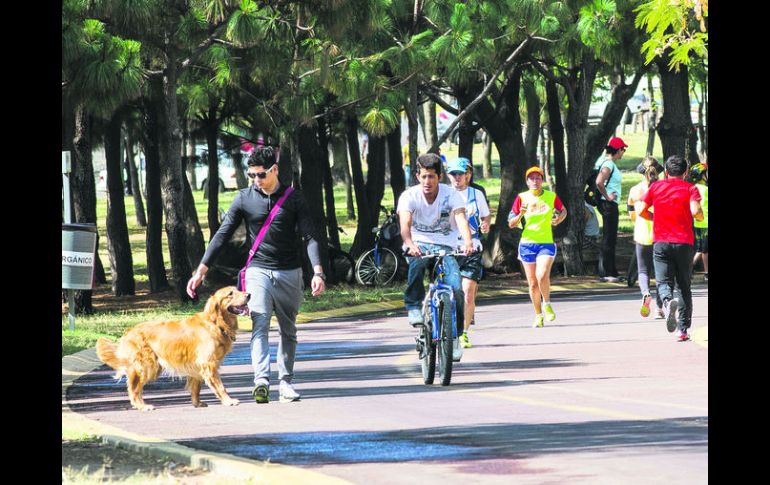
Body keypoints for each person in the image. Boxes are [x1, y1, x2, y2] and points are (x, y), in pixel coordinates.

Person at [186, 146, 327, 404]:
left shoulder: (294, 199)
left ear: (274, 170)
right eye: (251, 175)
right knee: (259, 324)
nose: (256, 180)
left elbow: (310, 237)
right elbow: (222, 234)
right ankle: (261, 380)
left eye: (261, 175)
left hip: (290, 272)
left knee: (288, 329)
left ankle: (285, 382)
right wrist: (201, 270)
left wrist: (317, 272)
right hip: (258, 270)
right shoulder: (244, 198)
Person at [398, 153, 476, 362]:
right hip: (419, 244)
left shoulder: (451, 195)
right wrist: (410, 245)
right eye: (423, 176)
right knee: (417, 263)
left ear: (439, 177)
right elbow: (405, 226)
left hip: (446, 246)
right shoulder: (409, 196)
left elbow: (461, 219)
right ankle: (414, 306)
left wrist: (468, 243)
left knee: (456, 288)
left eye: (431, 177)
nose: (427, 181)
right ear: (417, 176)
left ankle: (455, 337)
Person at [639, 155, 704, 342]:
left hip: (661, 241)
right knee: (684, 285)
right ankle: (682, 329)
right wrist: (698, 219)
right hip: (684, 242)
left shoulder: (656, 187)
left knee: (663, 281)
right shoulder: (690, 188)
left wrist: (655, 218)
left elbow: (642, 210)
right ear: (685, 172)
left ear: (666, 171)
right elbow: (696, 211)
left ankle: (667, 301)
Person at [508, 166, 567, 328]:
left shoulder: (551, 196)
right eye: (531, 178)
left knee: (542, 275)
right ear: (527, 181)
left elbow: (563, 211)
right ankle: (538, 314)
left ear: (542, 180)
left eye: (538, 178)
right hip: (527, 243)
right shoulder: (521, 198)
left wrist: (558, 219)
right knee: (533, 283)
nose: (535, 181)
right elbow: (511, 223)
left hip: (546, 242)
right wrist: (520, 214)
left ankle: (547, 303)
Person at [446, 157, 490, 349]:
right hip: (448, 248)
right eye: (452, 174)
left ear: (468, 175)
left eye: (460, 174)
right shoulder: (443, 194)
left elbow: (485, 215)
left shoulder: (476, 194)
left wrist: (486, 223)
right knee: (450, 292)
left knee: (467, 293)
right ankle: (445, 324)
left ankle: (463, 333)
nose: (456, 178)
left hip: (471, 248)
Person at [627, 157, 663, 318]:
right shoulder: (663, 188)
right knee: (662, 273)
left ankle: (646, 293)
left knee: (643, 270)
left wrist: (637, 221)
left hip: (642, 232)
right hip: (661, 233)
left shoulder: (635, 190)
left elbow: (631, 212)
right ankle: (660, 309)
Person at [595, 137, 627, 282]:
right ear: (618, 150)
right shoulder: (608, 164)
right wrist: (607, 196)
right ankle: (607, 272)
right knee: (609, 238)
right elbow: (599, 182)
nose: (623, 153)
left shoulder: (608, 163)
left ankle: (610, 272)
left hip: (609, 204)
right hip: (608, 204)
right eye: (623, 150)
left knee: (610, 238)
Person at [688, 162, 708, 282]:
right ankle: (706, 273)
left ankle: (687, 268)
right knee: (705, 250)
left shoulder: (694, 188)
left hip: (698, 223)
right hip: (706, 223)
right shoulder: (705, 190)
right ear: (702, 175)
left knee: (700, 249)